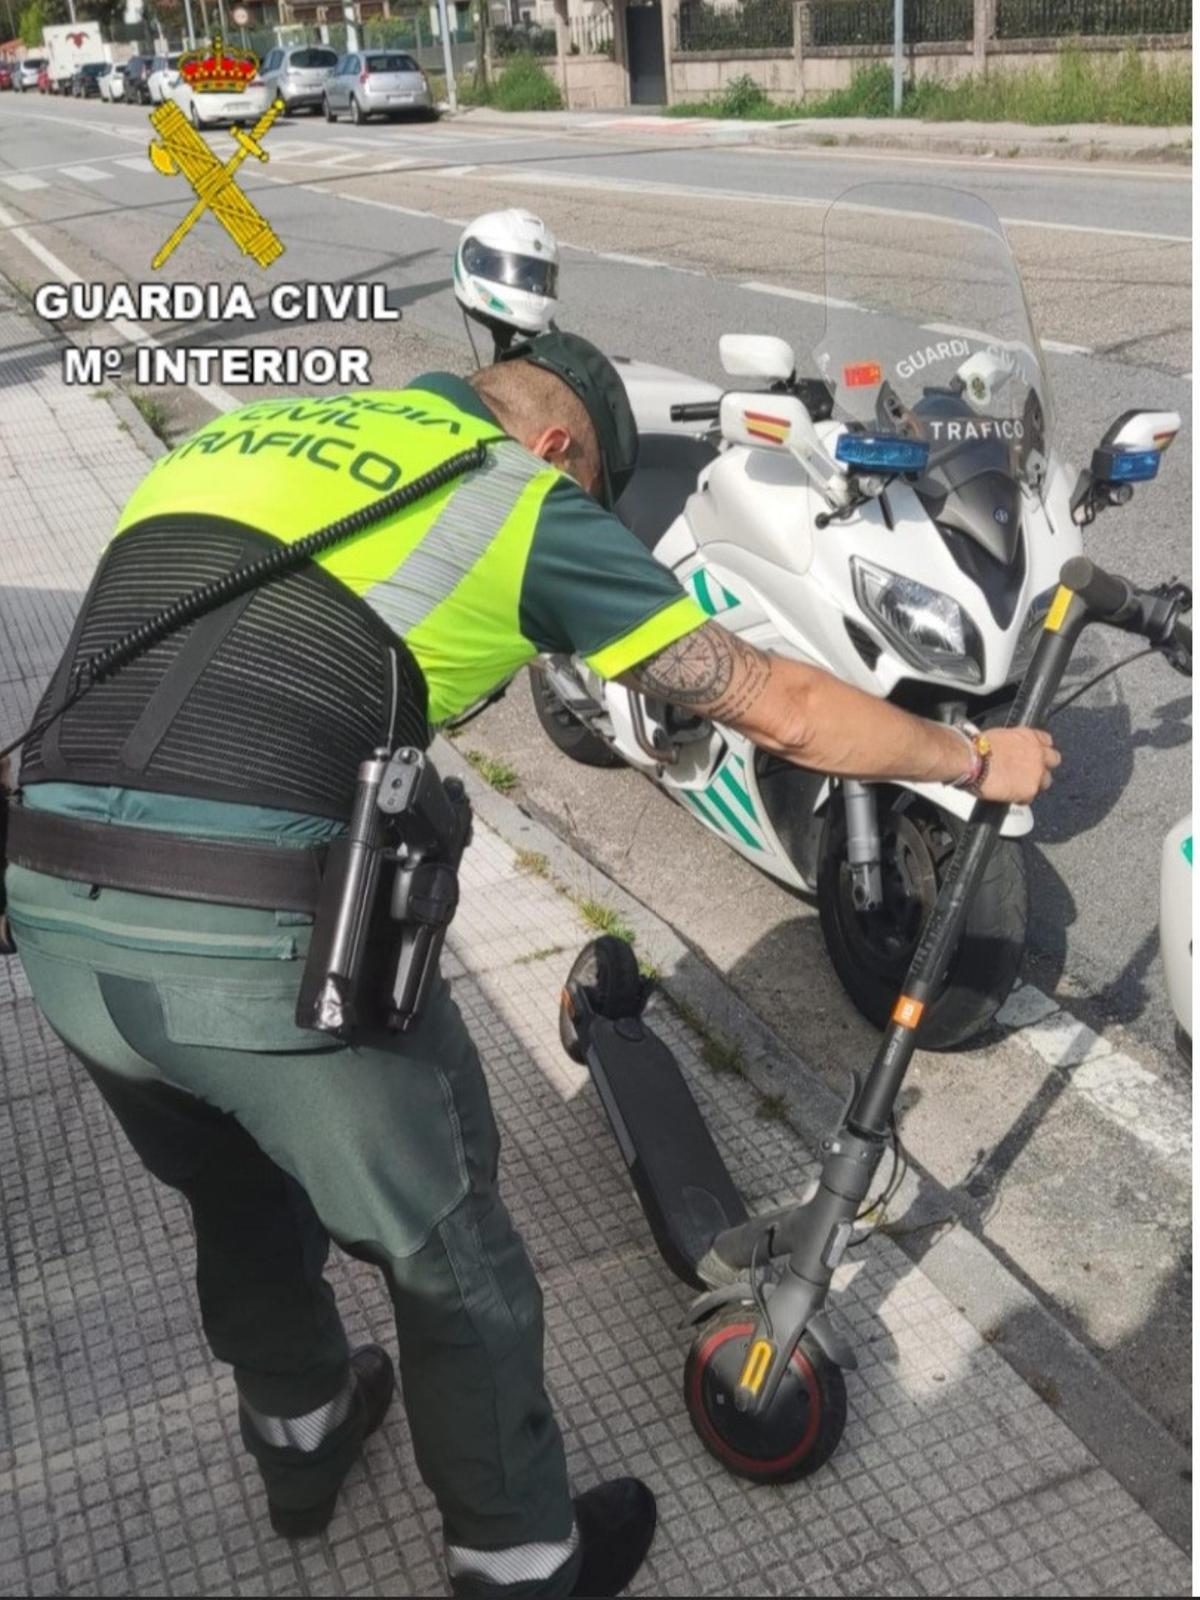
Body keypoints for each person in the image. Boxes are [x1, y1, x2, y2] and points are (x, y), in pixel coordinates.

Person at [3, 333, 1060, 1599]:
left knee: (234, 1183)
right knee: (453, 1248)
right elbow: (771, 702)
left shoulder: (236, 438)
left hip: (51, 911)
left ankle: (304, 1431)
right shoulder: (516, 496)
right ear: (559, 445)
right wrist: (970, 761)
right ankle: (521, 1554)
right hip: (254, 941)